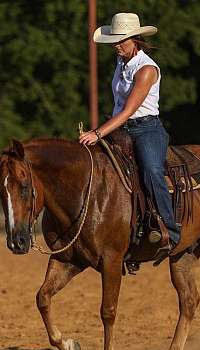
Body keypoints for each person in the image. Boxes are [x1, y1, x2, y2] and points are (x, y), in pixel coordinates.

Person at [79, 12, 180, 249]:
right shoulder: (121, 61)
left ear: (136, 39)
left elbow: (127, 111)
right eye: (114, 40)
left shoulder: (146, 69)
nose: (116, 45)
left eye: (121, 40)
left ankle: (171, 230)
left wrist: (97, 133)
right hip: (120, 128)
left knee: (151, 169)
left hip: (146, 129)